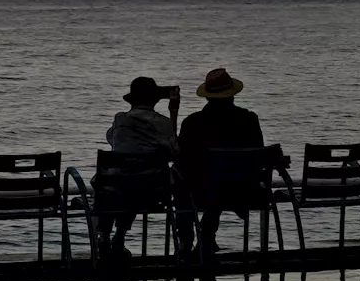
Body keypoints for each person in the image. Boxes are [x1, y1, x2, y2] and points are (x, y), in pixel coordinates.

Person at [176, 68, 264, 257]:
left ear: (207, 97)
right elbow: (258, 156)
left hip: (204, 192)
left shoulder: (193, 123)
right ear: (232, 95)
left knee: (184, 181)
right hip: (245, 191)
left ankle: (185, 240)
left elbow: (182, 159)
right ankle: (207, 234)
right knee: (217, 182)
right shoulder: (249, 119)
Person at [99, 77, 179, 261]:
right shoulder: (163, 123)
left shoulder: (120, 120)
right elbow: (175, 151)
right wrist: (173, 113)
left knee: (116, 186)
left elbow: (112, 140)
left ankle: (104, 235)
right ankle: (118, 237)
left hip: (119, 188)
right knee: (136, 185)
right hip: (153, 192)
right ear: (155, 100)